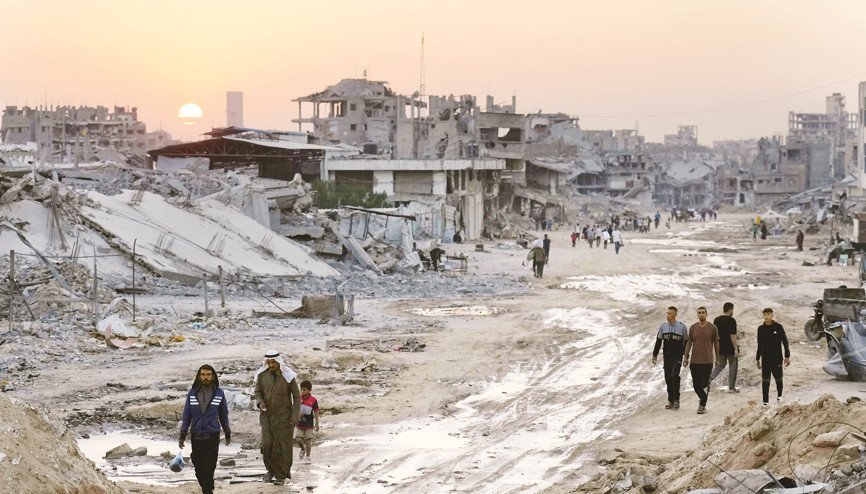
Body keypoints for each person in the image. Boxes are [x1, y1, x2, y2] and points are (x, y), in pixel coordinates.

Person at [179, 364, 231, 494]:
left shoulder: (219, 393)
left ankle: (207, 491)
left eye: (208, 375)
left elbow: (223, 414)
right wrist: (183, 434)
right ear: (199, 376)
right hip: (196, 434)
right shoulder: (192, 393)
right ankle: (208, 486)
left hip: (212, 435)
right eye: (203, 375)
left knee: (209, 466)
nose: (205, 377)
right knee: (198, 466)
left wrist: (227, 431)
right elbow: (187, 415)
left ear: (213, 377)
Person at [255, 350, 301, 485]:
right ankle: (270, 470)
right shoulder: (261, 376)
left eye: (273, 362)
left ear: (278, 362)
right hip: (266, 416)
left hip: (284, 417)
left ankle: (281, 475)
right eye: (269, 362)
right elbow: (258, 391)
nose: (271, 365)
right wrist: (259, 402)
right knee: (267, 444)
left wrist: (295, 415)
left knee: (282, 447)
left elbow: (296, 396)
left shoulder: (288, 376)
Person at [683, 307, 719, 414]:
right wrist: (686, 357)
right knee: (696, 385)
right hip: (695, 361)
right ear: (697, 315)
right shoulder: (693, 328)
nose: (701, 314)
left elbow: (716, 344)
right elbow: (689, 343)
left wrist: (717, 358)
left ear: (706, 314)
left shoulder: (713, 328)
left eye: (703, 312)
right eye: (699, 313)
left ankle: (702, 405)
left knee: (704, 384)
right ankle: (703, 397)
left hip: (707, 361)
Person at [652, 306, 688, 410]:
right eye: (667, 313)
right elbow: (659, 341)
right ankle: (670, 400)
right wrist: (655, 355)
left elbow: (686, 341)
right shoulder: (663, 327)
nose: (668, 315)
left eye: (670, 313)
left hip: (677, 356)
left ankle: (676, 399)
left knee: (674, 375)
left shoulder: (682, 327)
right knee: (667, 377)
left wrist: (686, 356)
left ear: (675, 314)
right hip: (667, 356)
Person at [756, 308, 790, 406]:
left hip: (777, 358)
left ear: (772, 315)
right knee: (765, 380)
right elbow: (759, 344)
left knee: (778, 379)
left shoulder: (778, 327)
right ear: (763, 316)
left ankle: (780, 397)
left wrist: (787, 356)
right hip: (765, 359)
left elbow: (785, 341)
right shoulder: (760, 329)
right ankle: (765, 401)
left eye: (769, 314)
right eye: (765, 314)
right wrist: (757, 358)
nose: (767, 316)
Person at [709, 303, 739, 393]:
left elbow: (714, 335)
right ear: (730, 310)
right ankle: (731, 388)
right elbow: (732, 336)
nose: (732, 311)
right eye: (732, 310)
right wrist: (736, 348)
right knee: (733, 366)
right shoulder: (732, 320)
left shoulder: (717, 320)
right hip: (730, 347)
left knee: (720, 365)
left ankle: (709, 379)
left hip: (720, 347)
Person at [294, 380, 320, 463]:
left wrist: (317, 423)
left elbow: (316, 411)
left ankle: (308, 457)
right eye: (301, 389)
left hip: (309, 423)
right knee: (298, 439)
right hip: (300, 423)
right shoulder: (298, 398)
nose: (302, 391)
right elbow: (294, 408)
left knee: (308, 440)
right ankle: (302, 449)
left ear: (309, 390)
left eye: (304, 390)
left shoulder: (313, 400)